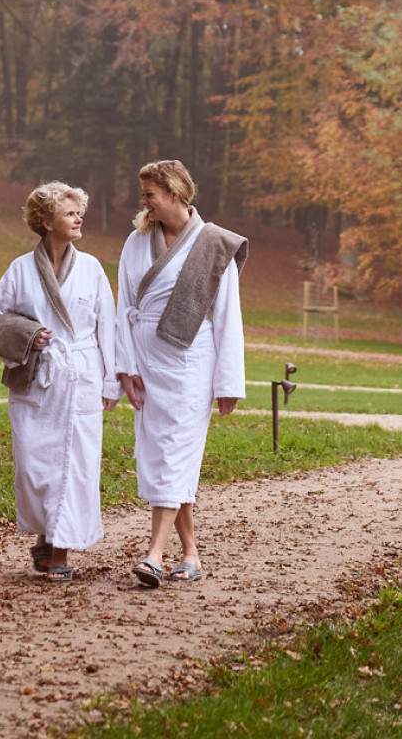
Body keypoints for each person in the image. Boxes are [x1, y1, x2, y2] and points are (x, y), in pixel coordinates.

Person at [114, 160, 247, 587]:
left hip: (192, 364)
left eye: (150, 194)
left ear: (174, 193)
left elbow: (227, 316)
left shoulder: (213, 244)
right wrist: (126, 368)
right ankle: (190, 554)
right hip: (147, 361)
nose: (144, 202)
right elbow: (123, 309)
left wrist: (229, 382)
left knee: (173, 453)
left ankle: (153, 554)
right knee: (164, 457)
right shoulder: (136, 242)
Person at [0, 182, 119, 582]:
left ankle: (60, 550)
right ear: (46, 222)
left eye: (80, 211)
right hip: (37, 379)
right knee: (34, 463)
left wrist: (109, 382)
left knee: (73, 466)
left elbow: (106, 328)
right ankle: (45, 535)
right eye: (69, 212)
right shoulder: (20, 270)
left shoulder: (92, 268)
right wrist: (29, 336)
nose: (78, 218)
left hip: (79, 376)